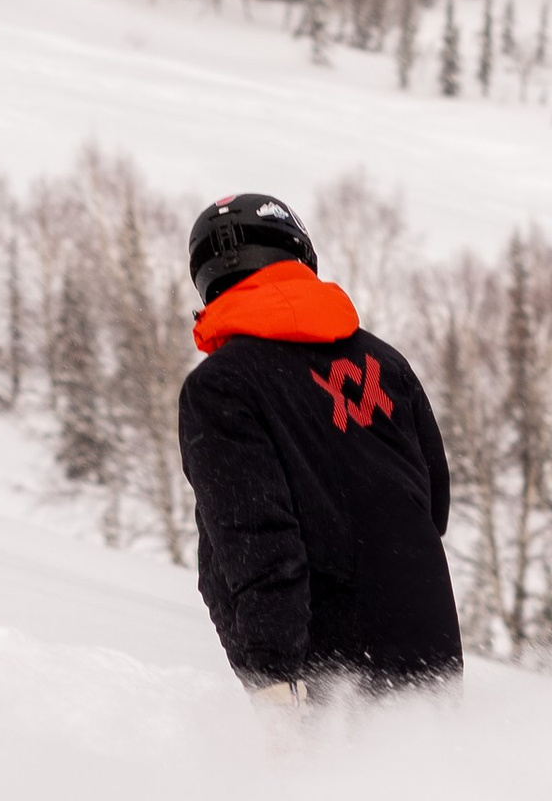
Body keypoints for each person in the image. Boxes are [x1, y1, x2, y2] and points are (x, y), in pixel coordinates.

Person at [177, 190, 463, 698]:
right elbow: (432, 506)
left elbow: (255, 538)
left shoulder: (220, 387)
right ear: (300, 255)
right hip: (429, 649)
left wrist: (272, 678)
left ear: (208, 282)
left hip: (324, 673)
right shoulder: (386, 364)